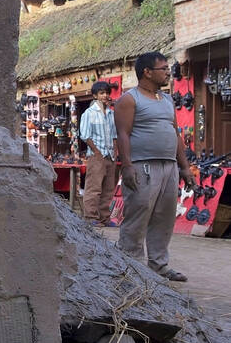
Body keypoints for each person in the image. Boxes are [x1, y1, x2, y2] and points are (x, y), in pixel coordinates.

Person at [114, 51, 196, 282]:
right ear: (147, 72)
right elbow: (123, 134)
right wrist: (127, 166)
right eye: (164, 69)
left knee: (165, 216)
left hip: (169, 165)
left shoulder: (167, 100)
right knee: (138, 213)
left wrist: (185, 167)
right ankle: (130, 266)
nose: (168, 72)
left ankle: (159, 266)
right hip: (142, 166)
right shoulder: (129, 99)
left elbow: (175, 133)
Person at [79, 81, 118, 225]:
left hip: (110, 155)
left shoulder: (111, 113)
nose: (105, 95)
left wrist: (115, 152)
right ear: (95, 95)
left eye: (107, 93)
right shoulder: (89, 113)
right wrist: (96, 152)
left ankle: (104, 217)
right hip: (96, 156)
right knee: (94, 187)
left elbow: (115, 135)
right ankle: (91, 217)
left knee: (108, 188)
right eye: (101, 93)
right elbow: (85, 135)